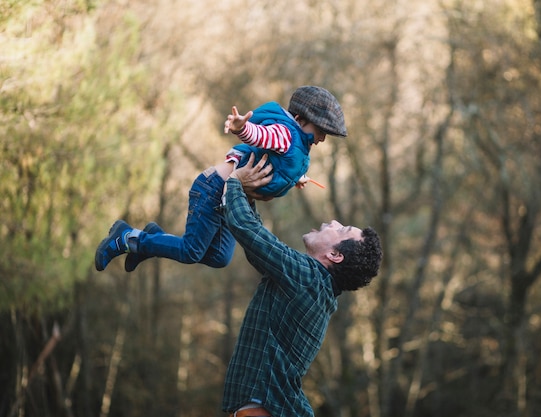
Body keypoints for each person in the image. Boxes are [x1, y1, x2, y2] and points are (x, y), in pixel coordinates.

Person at [95, 86, 347, 272]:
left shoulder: (296, 144)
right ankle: (127, 237)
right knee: (190, 251)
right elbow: (261, 136)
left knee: (218, 257)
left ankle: (151, 239)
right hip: (213, 189)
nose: (322, 138)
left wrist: (297, 178)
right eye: (321, 131)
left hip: (228, 199)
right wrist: (241, 128)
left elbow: (278, 163)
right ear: (301, 119)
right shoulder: (285, 135)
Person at [219, 155, 383, 417]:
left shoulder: (308, 279)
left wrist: (236, 183)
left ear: (335, 255)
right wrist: (248, 195)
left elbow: (248, 231)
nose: (333, 222)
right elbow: (257, 246)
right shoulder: (313, 285)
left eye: (341, 230)